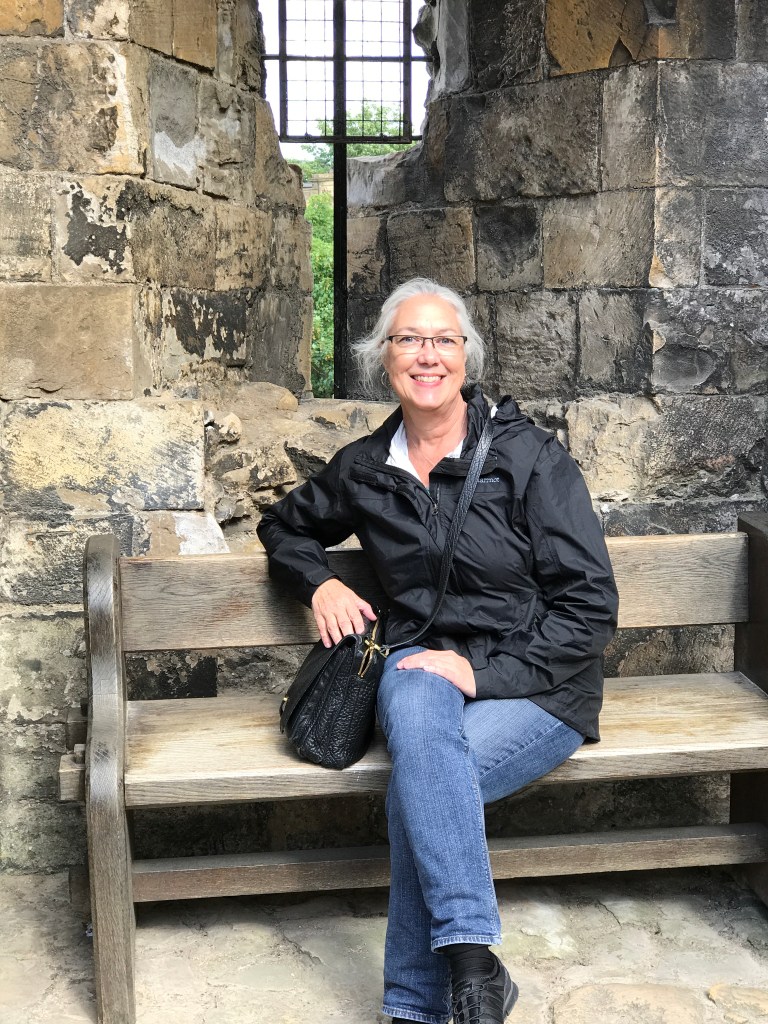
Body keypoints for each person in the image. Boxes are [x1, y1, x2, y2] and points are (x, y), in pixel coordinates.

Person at [257, 278, 619, 1024]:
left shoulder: (528, 458)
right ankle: (475, 969)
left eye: (443, 340)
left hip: (538, 684)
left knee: (415, 789)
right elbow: (283, 528)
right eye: (409, 340)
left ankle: (425, 1000)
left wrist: (480, 672)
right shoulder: (364, 467)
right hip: (420, 674)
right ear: (382, 358)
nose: (427, 356)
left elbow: (589, 609)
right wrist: (318, 582)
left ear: (466, 357)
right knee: (416, 683)